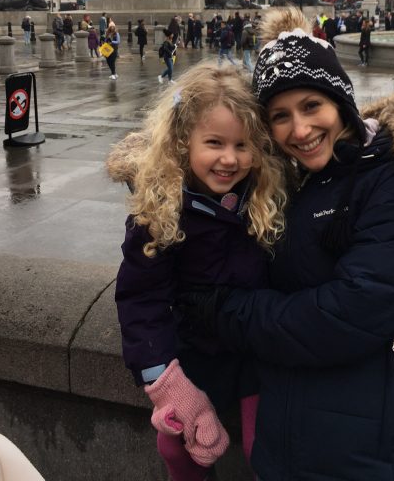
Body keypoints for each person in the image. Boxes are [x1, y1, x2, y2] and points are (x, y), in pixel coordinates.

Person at [179, 7, 394, 481]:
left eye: (311, 107)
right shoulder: (295, 180)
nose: (299, 130)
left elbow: (345, 316)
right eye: (280, 116)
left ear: (341, 101)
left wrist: (226, 312)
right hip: (306, 449)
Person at [108, 63, 288, 481]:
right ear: (182, 141)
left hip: (258, 351)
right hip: (195, 350)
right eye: (214, 143)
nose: (230, 159)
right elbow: (140, 298)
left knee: (268, 447)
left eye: (243, 145)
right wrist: (165, 382)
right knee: (177, 444)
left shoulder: (266, 192)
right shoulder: (160, 209)